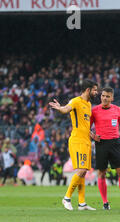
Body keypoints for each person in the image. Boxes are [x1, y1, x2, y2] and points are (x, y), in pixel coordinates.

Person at [50, 79, 98, 211]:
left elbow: (84, 124)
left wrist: (91, 134)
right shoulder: (76, 101)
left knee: (83, 172)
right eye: (94, 90)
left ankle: (82, 203)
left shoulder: (88, 105)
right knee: (81, 170)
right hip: (77, 141)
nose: (96, 92)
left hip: (86, 141)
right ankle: (66, 197)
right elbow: (66, 109)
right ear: (88, 90)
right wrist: (60, 108)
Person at [90, 87, 120, 210]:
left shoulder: (118, 110)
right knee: (101, 173)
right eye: (103, 96)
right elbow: (86, 128)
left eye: (107, 96)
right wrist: (93, 136)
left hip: (115, 144)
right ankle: (105, 203)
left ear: (112, 98)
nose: (105, 98)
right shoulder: (94, 111)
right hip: (101, 144)